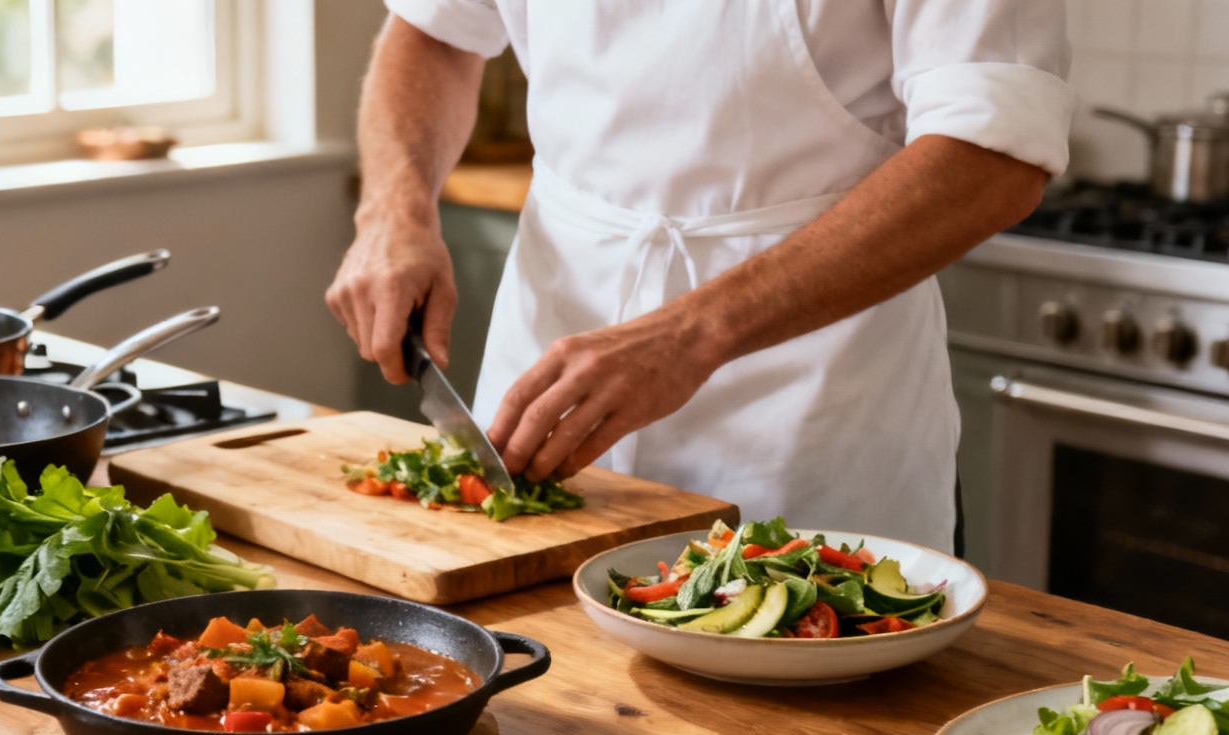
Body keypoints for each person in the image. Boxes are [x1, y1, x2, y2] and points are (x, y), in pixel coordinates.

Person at [325, 2, 1073, 551]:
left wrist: (691, 333)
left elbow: (992, 157)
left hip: (805, 397)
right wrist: (392, 208)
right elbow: (432, 32)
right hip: (551, 347)